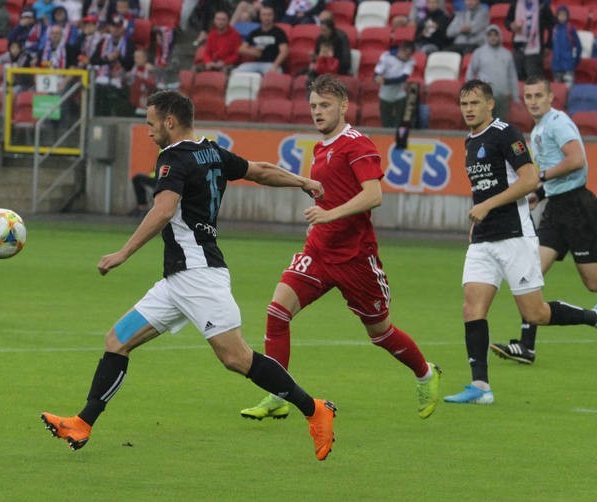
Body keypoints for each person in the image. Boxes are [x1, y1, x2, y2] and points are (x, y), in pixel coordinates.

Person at [40, 90, 338, 461]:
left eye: (151, 124)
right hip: (177, 280)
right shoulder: (210, 150)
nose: (148, 131)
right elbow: (258, 170)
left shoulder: (174, 157)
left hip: (199, 276)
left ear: (169, 122)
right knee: (117, 339)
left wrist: (123, 253)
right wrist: (302, 181)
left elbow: (164, 211)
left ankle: (314, 409)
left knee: (236, 358)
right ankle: (82, 423)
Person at [240, 74, 442, 422]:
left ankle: (426, 373)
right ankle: (278, 394)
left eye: (325, 105)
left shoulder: (357, 144)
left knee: (380, 333)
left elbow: (373, 195)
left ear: (344, 106)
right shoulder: (321, 148)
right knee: (277, 313)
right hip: (318, 251)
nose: (318, 112)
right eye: (314, 106)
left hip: (355, 258)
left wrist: (329, 213)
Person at [443, 79, 597, 405]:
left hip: (515, 235)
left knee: (536, 312)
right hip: (484, 240)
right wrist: (479, 219)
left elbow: (528, 178)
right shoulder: (470, 142)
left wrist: (487, 206)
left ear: (489, 104)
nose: (468, 110)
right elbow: (486, 188)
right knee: (472, 307)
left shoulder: (506, 134)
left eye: (474, 103)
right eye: (464, 104)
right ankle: (480, 387)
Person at [490, 76, 597, 365]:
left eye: (539, 95)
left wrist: (541, 178)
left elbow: (576, 159)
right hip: (557, 207)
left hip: (577, 206)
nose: (534, 101)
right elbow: (554, 172)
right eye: (528, 96)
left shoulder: (558, 122)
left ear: (552, 97)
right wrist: (540, 192)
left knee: (596, 282)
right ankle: (526, 347)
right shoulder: (539, 129)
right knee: (531, 273)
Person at [465, 25, 519, 122]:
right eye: (490, 35)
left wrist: (515, 96)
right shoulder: (479, 53)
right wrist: (469, 91)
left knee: (501, 124)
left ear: (500, 36)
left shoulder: (507, 54)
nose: (493, 37)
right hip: (485, 96)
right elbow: (470, 71)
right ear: (486, 37)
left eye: (495, 35)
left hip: (502, 96)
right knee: (484, 123)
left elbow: (512, 76)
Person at [506, 0, 554, 81]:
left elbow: (552, 26)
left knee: (534, 78)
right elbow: (507, 21)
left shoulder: (542, 5)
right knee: (517, 77)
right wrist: (511, 25)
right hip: (518, 47)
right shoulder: (516, 3)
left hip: (535, 49)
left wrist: (548, 45)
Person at [233, 5, 288, 75]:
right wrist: (253, 52)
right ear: (260, 16)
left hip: (272, 64)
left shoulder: (279, 32)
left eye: (269, 15)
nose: (266, 17)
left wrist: (275, 66)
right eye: (264, 15)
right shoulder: (255, 32)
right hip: (256, 63)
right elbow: (241, 49)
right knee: (236, 72)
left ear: (273, 16)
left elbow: (284, 52)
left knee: (275, 74)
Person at [374, 41, 416, 128]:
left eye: (409, 55)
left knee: (399, 125)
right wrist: (376, 77)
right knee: (385, 124)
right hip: (385, 96)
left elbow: (402, 78)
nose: (407, 57)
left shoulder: (410, 62)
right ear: (401, 50)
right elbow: (377, 72)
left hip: (399, 97)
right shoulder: (386, 56)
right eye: (406, 54)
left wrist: (385, 81)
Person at [550, 6, 581, 87]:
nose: (562, 17)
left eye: (564, 15)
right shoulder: (554, 29)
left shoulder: (570, 28)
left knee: (568, 89)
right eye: (560, 15)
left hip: (568, 66)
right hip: (556, 66)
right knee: (558, 90)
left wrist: (575, 61)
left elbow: (578, 46)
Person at [314, 12, 351, 77]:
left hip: (337, 68)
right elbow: (316, 54)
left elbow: (345, 60)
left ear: (331, 30)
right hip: (321, 68)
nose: (322, 33)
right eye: (321, 30)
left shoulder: (340, 38)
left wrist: (330, 58)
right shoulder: (320, 39)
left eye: (324, 30)